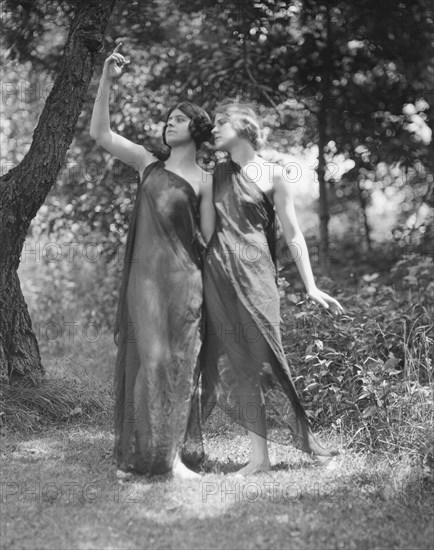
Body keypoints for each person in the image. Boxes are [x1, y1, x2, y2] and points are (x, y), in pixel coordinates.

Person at [90, 44, 214, 478]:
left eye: (178, 119)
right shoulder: (147, 164)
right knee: (150, 359)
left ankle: (173, 459)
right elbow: (101, 135)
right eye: (168, 119)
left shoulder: (207, 179)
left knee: (182, 363)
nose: (169, 123)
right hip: (145, 279)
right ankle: (138, 458)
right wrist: (106, 81)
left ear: (197, 129)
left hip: (186, 280)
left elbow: (211, 237)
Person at [201, 101, 344, 475]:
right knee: (233, 366)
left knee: (268, 361)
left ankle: (311, 447)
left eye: (221, 122)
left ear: (244, 126)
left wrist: (310, 286)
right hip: (218, 279)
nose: (213, 129)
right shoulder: (212, 174)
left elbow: (293, 234)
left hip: (258, 278)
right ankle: (259, 458)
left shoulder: (273, 174)